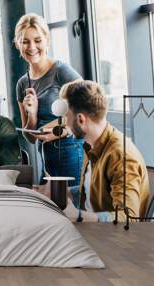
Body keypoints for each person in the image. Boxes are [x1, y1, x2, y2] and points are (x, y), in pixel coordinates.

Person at [60, 80, 150, 222]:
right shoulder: (91, 145)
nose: (64, 123)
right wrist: (63, 192)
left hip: (112, 240)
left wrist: (78, 216)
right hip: (94, 232)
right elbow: (94, 190)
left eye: (66, 117)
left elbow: (128, 218)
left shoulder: (121, 157)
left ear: (81, 119)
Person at [14, 13, 84, 186]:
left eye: (37, 40)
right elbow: (30, 138)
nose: (32, 47)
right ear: (17, 44)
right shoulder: (22, 84)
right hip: (46, 157)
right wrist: (32, 115)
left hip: (71, 152)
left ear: (47, 40)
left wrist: (54, 130)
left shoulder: (62, 72)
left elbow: (87, 110)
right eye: (25, 41)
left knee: (74, 208)